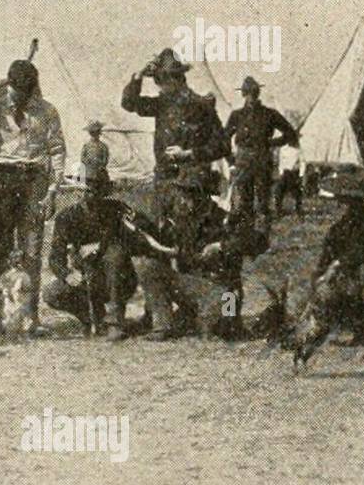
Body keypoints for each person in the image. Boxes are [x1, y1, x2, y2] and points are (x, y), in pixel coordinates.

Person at [0, 58, 66, 336]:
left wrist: (52, 192)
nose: (22, 96)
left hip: (35, 181)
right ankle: (1, 315)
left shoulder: (47, 111)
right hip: (4, 178)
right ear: (9, 85)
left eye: (28, 91)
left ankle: (31, 317)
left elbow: (57, 151)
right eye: (17, 90)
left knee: (32, 249)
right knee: (2, 250)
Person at [131, 167, 267, 341]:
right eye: (182, 194)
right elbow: (163, 246)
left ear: (201, 195)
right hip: (192, 288)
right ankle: (163, 326)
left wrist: (221, 246)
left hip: (224, 292)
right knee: (148, 267)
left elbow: (259, 241)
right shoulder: (181, 221)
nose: (182, 200)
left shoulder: (223, 218)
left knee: (227, 330)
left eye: (188, 195)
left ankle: (211, 319)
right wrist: (142, 225)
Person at [291, 170, 364, 366]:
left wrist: (340, 263)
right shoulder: (338, 230)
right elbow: (324, 262)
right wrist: (319, 281)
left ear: (352, 203)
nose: (338, 206)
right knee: (327, 288)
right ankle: (357, 332)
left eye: (341, 202)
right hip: (354, 285)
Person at [43, 164, 137, 341]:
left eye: (94, 189)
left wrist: (101, 246)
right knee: (51, 293)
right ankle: (94, 318)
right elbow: (55, 257)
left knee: (115, 255)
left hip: (117, 278)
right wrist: (68, 274)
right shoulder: (66, 217)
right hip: (86, 277)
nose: (88, 195)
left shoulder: (116, 210)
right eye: (83, 189)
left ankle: (115, 322)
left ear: (104, 191)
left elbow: (135, 239)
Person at [121, 46, 227, 202]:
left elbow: (223, 146)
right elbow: (129, 103)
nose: (159, 87)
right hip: (164, 182)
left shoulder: (202, 106)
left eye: (160, 80)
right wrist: (138, 76)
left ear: (175, 80)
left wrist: (189, 154)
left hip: (192, 185)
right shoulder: (162, 105)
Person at [223, 76, 297, 230]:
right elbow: (223, 140)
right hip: (242, 162)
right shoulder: (237, 115)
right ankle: (245, 236)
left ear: (258, 93)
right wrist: (231, 161)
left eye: (253, 92)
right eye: (248, 93)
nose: (251, 96)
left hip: (262, 160)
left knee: (263, 202)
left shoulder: (269, 114)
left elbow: (290, 133)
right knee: (243, 203)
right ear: (243, 94)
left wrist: (271, 144)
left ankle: (262, 237)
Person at [274, 141, 305, 217]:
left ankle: (298, 210)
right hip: (285, 173)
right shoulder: (283, 149)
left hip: (294, 173)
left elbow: (302, 162)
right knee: (279, 191)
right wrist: (281, 173)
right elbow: (281, 162)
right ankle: (278, 210)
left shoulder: (298, 149)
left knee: (297, 193)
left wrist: (301, 175)